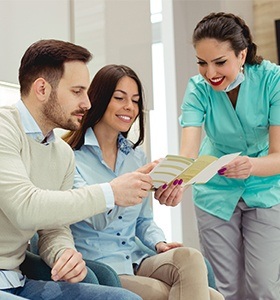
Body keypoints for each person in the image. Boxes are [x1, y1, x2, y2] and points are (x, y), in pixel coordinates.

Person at [0, 38, 161, 300]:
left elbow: (53, 228)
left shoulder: (62, 153)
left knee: (126, 299)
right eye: (77, 91)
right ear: (42, 88)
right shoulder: (4, 129)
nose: (87, 103)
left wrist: (63, 253)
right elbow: (24, 208)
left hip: (18, 279)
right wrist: (110, 192)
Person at [64, 64, 224, 300]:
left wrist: (159, 243)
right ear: (99, 99)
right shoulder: (70, 157)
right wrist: (128, 185)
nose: (130, 107)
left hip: (137, 258)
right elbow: (97, 219)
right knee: (211, 298)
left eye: (136, 100)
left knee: (189, 258)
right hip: (102, 268)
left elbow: (143, 220)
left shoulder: (135, 156)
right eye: (120, 98)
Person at [179, 12, 280, 300]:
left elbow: (278, 155)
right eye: (202, 63)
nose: (210, 73)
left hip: (266, 187)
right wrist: (176, 181)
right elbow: (188, 152)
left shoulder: (273, 81)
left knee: (263, 287)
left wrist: (251, 166)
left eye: (220, 62)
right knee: (224, 290)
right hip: (214, 190)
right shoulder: (198, 90)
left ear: (242, 54)